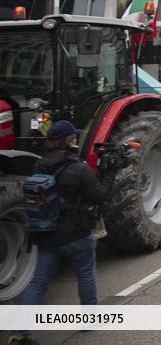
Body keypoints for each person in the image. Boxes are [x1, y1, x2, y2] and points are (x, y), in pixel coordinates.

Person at [10, 121, 126, 345]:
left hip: (47, 232)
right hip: (75, 234)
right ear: (69, 140)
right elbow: (99, 195)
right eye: (74, 137)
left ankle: (19, 332)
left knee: (38, 283)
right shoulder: (79, 168)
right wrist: (110, 172)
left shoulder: (40, 165)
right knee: (85, 274)